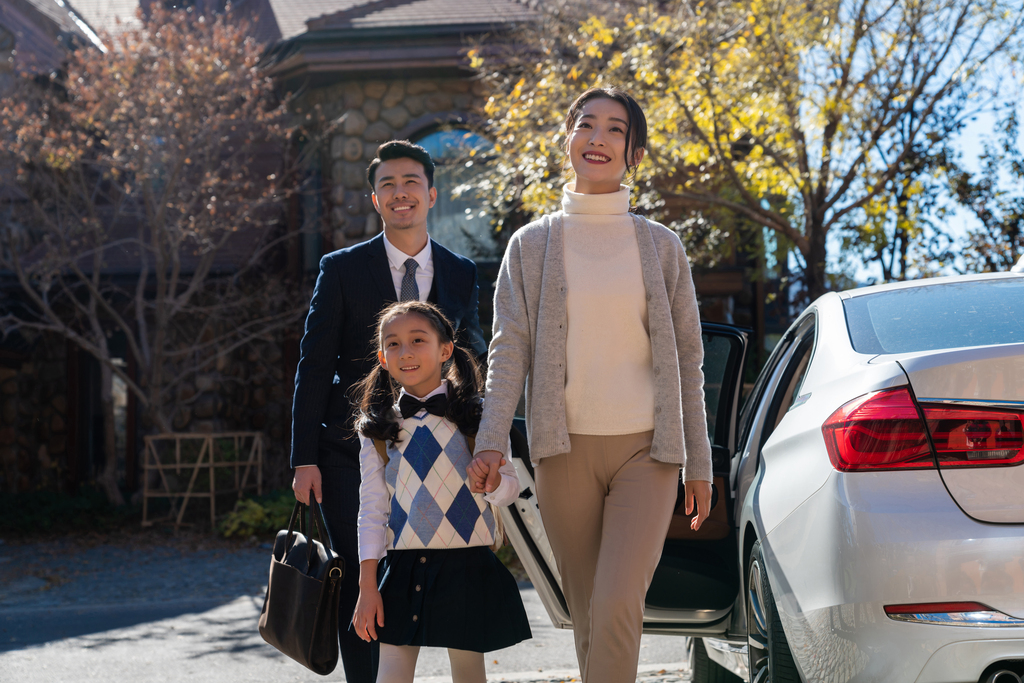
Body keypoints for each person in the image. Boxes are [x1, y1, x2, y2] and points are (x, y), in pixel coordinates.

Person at [467, 87, 714, 683]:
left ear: (634, 152)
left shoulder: (661, 246)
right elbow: (510, 350)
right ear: (568, 139)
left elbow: (687, 359)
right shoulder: (531, 244)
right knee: (586, 616)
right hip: (563, 450)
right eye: (586, 125)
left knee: (617, 603)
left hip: (647, 452)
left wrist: (698, 463)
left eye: (615, 130)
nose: (598, 138)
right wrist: (490, 439)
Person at [291, 140, 488, 683]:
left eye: (410, 183)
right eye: (387, 186)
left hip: (439, 450)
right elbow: (313, 365)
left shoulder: (461, 271)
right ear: (375, 200)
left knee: (440, 570)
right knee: (361, 577)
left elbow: (472, 360)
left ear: (430, 193)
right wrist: (302, 457)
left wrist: (485, 438)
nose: (400, 194)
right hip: (346, 451)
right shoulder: (341, 269)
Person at [350, 300, 531, 683]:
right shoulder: (378, 430)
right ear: (382, 357)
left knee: (468, 674)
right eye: (394, 344)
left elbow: (511, 489)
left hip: (466, 565)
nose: (406, 352)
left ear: (445, 349)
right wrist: (367, 586)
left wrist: (495, 482)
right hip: (400, 567)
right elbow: (372, 511)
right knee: (391, 674)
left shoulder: (481, 417)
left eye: (418, 340)